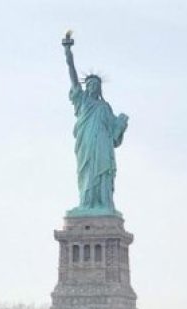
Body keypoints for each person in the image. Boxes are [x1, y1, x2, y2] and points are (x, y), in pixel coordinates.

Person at [63, 32, 129, 213]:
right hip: (86, 144)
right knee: (86, 174)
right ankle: (87, 203)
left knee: (103, 174)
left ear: (99, 88)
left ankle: (103, 204)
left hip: (102, 146)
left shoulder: (105, 107)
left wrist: (121, 123)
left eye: (95, 85)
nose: (92, 87)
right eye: (89, 84)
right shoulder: (82, 101)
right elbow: (73, 76)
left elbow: (115, 135)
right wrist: (68, 53)